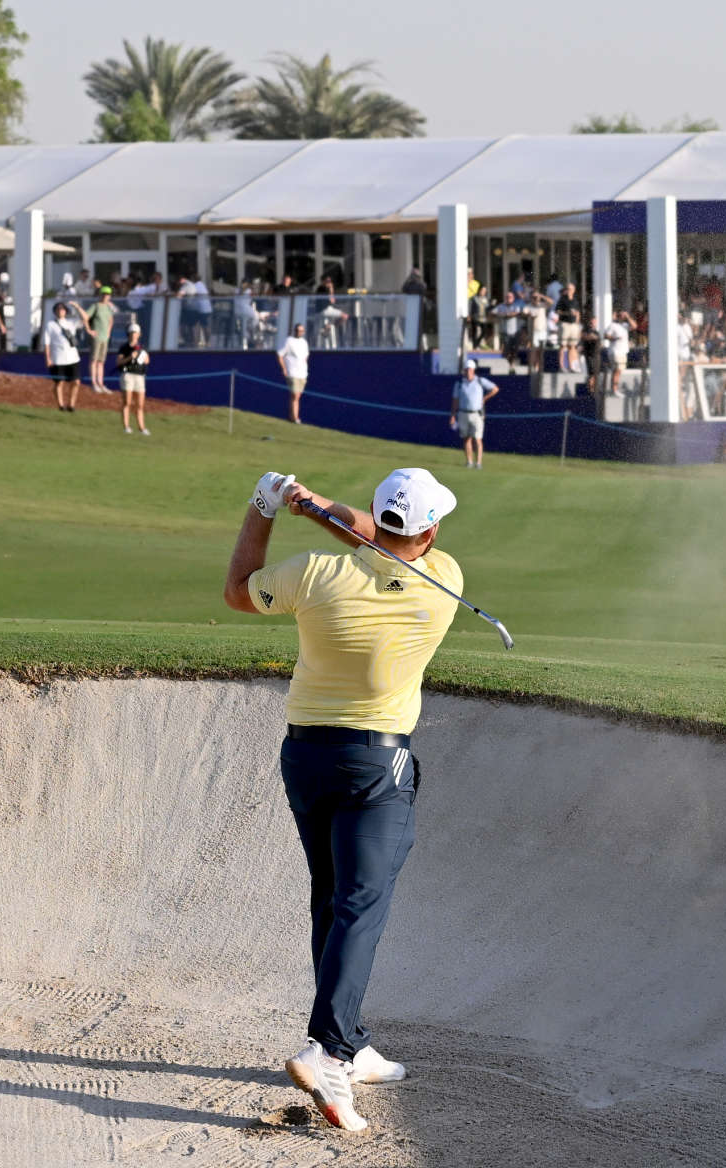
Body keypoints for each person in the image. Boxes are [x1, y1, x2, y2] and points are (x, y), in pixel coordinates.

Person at [222, 467, 464, 1133]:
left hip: (305, 757)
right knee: (361, 903)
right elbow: (380, 541)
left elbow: (238, 591)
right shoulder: (444, 579)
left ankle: (350, 1041)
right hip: (377, 766)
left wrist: (267, 507)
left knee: (332, 898)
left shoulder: (313, 573)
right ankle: (328, 1052)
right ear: (430, 533)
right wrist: (320, 508)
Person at [450, 358, 498, 469]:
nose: (468, 371)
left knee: (477, 439)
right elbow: (455, 401)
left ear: (473, 370)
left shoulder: (480, 381)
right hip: (462, 413)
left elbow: (495, 389)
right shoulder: (459, 384)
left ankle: (479, 463)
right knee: (466, 438)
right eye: (466, 369)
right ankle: (469, 462)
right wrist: (453, 415)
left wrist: (484, 399)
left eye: (470, 369)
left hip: (477, 414)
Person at [44, 301, 83, 411]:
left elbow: (85, 318)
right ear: (55, 312)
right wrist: (48, 358)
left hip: (73, 358)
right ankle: (61, 405)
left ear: (65, 311)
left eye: (62, 309)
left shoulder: (71, 323)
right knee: (59, 382)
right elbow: (47, 343)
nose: (60, 311)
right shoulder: (50, 325)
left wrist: (77, 306)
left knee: (76, 382)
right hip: (58, 359)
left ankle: (71, 405)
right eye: (58, 309)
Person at [118, 322, 151, 435]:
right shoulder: (124, 347)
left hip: (140, 376)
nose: (134, 335)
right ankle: (126, 426)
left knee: (140, 404)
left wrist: (141, 356)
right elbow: (119, 362)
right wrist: (130, 357)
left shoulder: (142, 347)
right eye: (132, 333)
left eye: (136, 333)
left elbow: (147, 360)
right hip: (128, 375)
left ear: (139, 334)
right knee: (127, 402)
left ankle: (142, 428)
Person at [87, 288, 117, 393]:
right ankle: (94, 383)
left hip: (105, 338)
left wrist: (108, 332)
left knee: (101, 361)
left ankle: (100, 383)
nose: (105, 296)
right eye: (104, 294)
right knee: (94, 360)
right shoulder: (95, 306)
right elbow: (86, 316)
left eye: (107, 294)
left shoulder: (109, 307)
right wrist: (89, 330)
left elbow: (111, 320)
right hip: (97, 337)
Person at [280, 321, 311, 424]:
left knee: (297, 396)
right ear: (295, 331)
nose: (299, 332)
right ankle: (295, 418)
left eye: (301, 331)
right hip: (292, 372)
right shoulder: (289, 341)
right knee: (295, 395)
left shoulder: (304, 343)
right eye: (298, 330)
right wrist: (284, 368)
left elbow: (306, 356)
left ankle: (291, 416)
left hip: (302, 373)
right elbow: (280, 354)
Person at [554, 282, 584, 372]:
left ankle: (571, 366)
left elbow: (578, 312)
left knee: (572, 346)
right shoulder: (562, 299)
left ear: (573, 290)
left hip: (573, 325)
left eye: (570, 289)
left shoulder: (575, 300)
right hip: (565, 324)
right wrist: (567, 313)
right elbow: (557, 311)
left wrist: (577, 324)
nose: (568, 291)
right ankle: (561, 366)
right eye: (567, 289)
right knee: (562, 345)